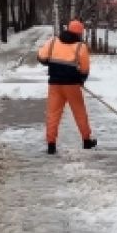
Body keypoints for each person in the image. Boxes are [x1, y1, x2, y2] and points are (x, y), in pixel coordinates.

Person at [37, 19, 96, 154]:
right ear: (80, 33)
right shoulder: (81, 47)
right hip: (72, 86)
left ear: (67, 29)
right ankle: (86, 141)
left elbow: (41, 57)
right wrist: (81, 79)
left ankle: (51, 144)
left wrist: (51, 63)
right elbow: (85, 69)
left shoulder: (52, 42)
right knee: (80, 113)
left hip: (55, 85)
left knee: (53, 115)